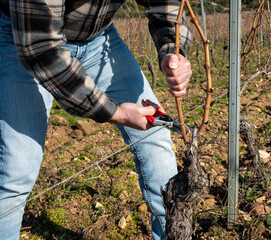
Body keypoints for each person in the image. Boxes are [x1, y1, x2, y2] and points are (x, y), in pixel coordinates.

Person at [0, 0, 192, 239]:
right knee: (15, 171)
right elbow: (41, 46)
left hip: (99, 39)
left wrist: (173, 50)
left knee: (155, 136)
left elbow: (165, 3)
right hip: (25, 36)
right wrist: (115, 113)